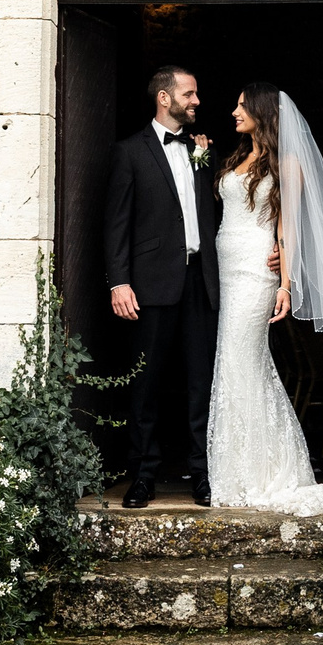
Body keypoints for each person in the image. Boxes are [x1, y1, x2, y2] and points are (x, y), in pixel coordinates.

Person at [205, 82, 323, 516]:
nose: (234, 112)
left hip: (258, 270)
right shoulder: (239, 157)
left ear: (262, 111)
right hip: (226, 268)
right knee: (233, 361)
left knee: (243, 359)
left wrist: (286, 283)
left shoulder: (288, 162)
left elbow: (289, 226)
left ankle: (265, 472)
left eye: (242, 106)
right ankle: (239, 467)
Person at [104, 64, 218, 508]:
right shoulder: (129, 151)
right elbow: (116, 224)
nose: (197, 102)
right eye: (189, 94)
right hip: (149, 284)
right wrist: (119, 282)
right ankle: (143, 476)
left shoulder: (200, 149)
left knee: (200, 381)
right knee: (146, 384)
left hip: (201, 280)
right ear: (164, 98)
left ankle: (203, 474)